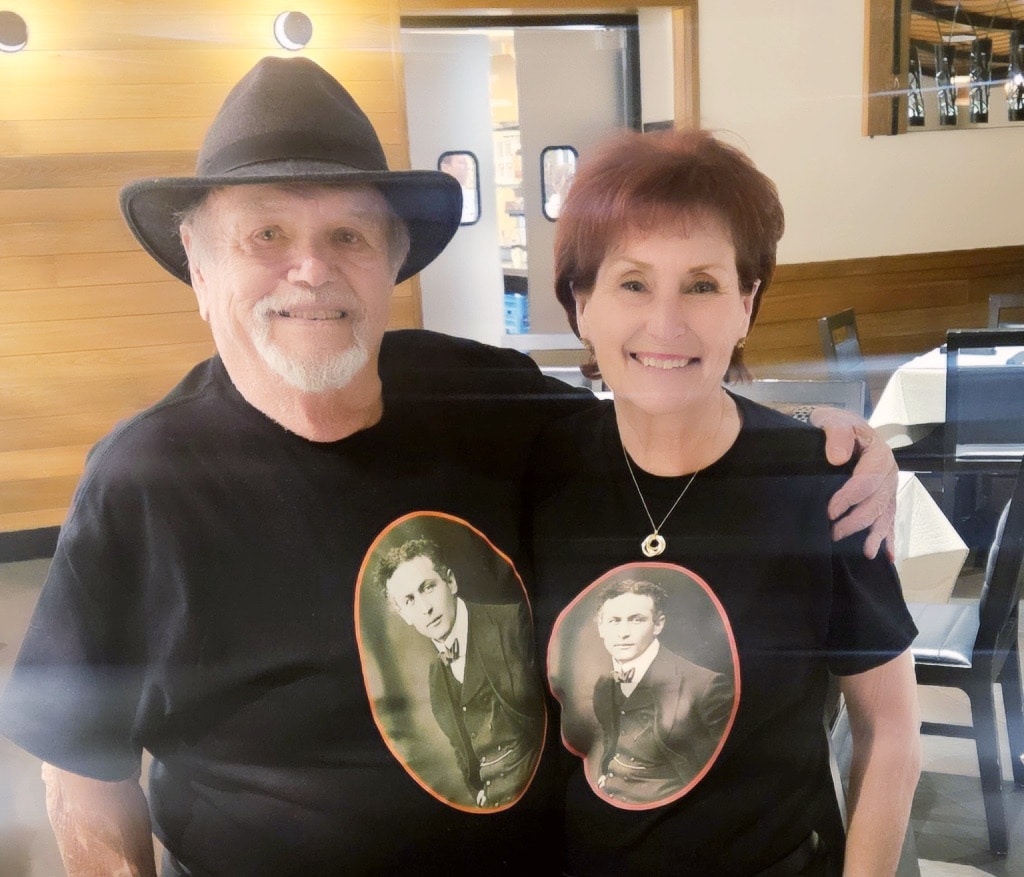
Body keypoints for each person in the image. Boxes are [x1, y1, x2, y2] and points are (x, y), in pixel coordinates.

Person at [0, 56, 898, 876]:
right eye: (266, 232)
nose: (311, 269)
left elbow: (654, 412)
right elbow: (82, 773)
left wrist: (828, 441)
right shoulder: (143, 481)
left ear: (392, 259)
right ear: (197, 265)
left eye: (349, 235)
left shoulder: (481, 396)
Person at [529, 128, 922, 876]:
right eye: (633, 282)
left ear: (746, 304)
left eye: (703, 284)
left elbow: (892, 734)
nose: (666, 323)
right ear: (582, 304)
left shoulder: (821, 480)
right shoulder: (537, 464)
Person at [375, 535, 545, 810]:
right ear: (405, 615)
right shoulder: (435, 678)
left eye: (428, 587)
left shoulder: (513, 623)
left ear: (450, 582)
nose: (425, 608)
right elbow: (463, 751)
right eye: (409, 600)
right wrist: (479, 791)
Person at [589, 578, 733, 805]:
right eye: (614, 621)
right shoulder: (603, 684)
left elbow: (728, 772)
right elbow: (610, 740)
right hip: (611, 802)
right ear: (601, 627)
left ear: (658, 624)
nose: (623, 632)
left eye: (636, 620)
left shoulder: (705, 685)